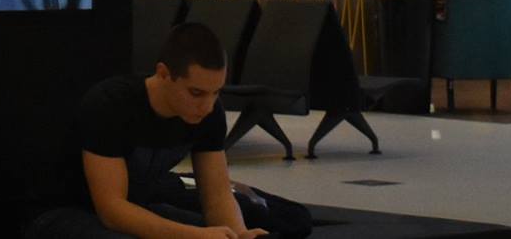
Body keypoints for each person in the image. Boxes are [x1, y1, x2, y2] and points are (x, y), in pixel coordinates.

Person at [25, 22, 312, 239]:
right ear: (163, 74)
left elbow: (217, 196)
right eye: (196, 93)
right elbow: (111, 210)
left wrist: (237, 233)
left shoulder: (210, 113)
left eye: (216, 92)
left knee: (276, 222)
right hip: (64, 212)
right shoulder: (111, 105)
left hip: (140, 204)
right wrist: (194, 236)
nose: (207, 105)